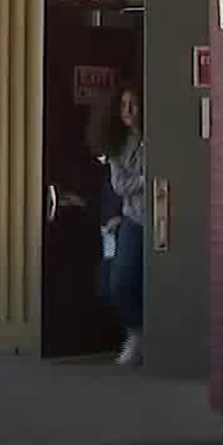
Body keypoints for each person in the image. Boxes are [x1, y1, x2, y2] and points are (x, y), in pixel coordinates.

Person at [87, 80, 147, 367]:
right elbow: (120, 185)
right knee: (119, 281)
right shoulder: (117, 142)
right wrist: (146, 180)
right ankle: (137, 334)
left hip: (162, 218)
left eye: (133, 104)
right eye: (123, 105)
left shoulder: (156, 134)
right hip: (134, 217)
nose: (129, 110)